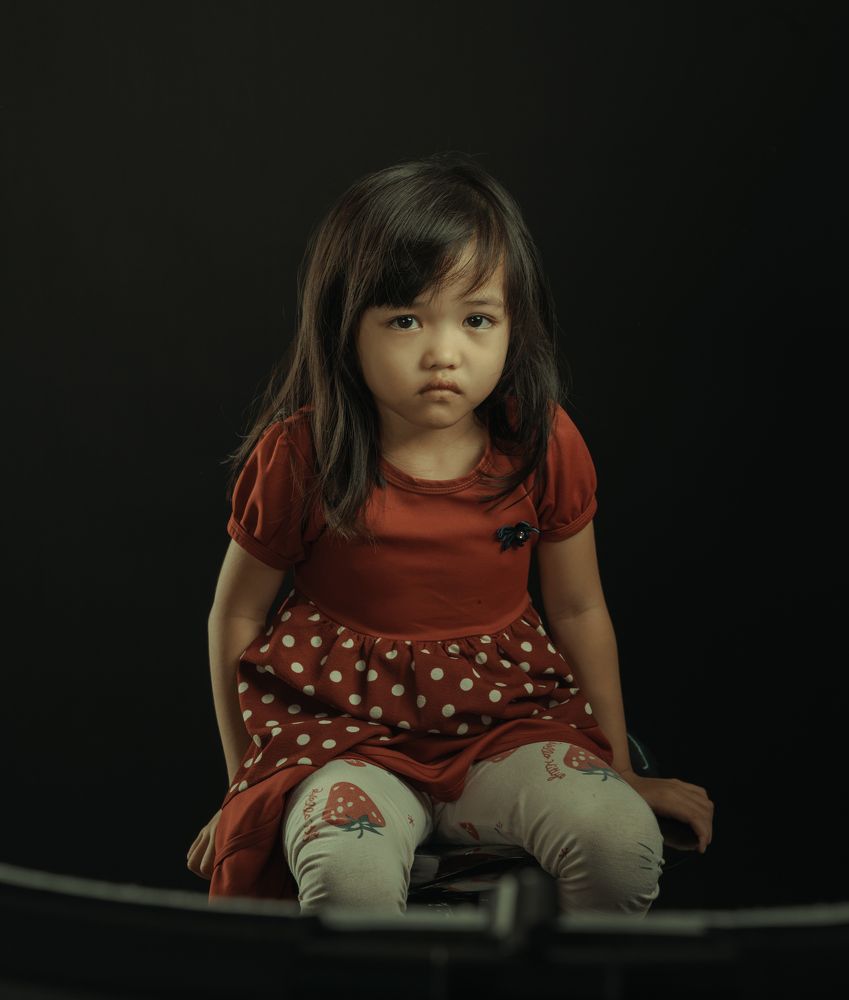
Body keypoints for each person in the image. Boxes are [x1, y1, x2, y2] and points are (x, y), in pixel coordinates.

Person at [186, 151, 714, 917]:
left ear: (512, 325)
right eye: (405, 320)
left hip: (507, 724)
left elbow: (576, 610)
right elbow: (234, 614)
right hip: (342, 738)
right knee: (348, 878)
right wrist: (248, 786)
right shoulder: (303, 455)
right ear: (346, 328)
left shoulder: (540, 442)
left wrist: (617, 763)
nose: (443, 353)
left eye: (476, 319)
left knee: (615, 841)